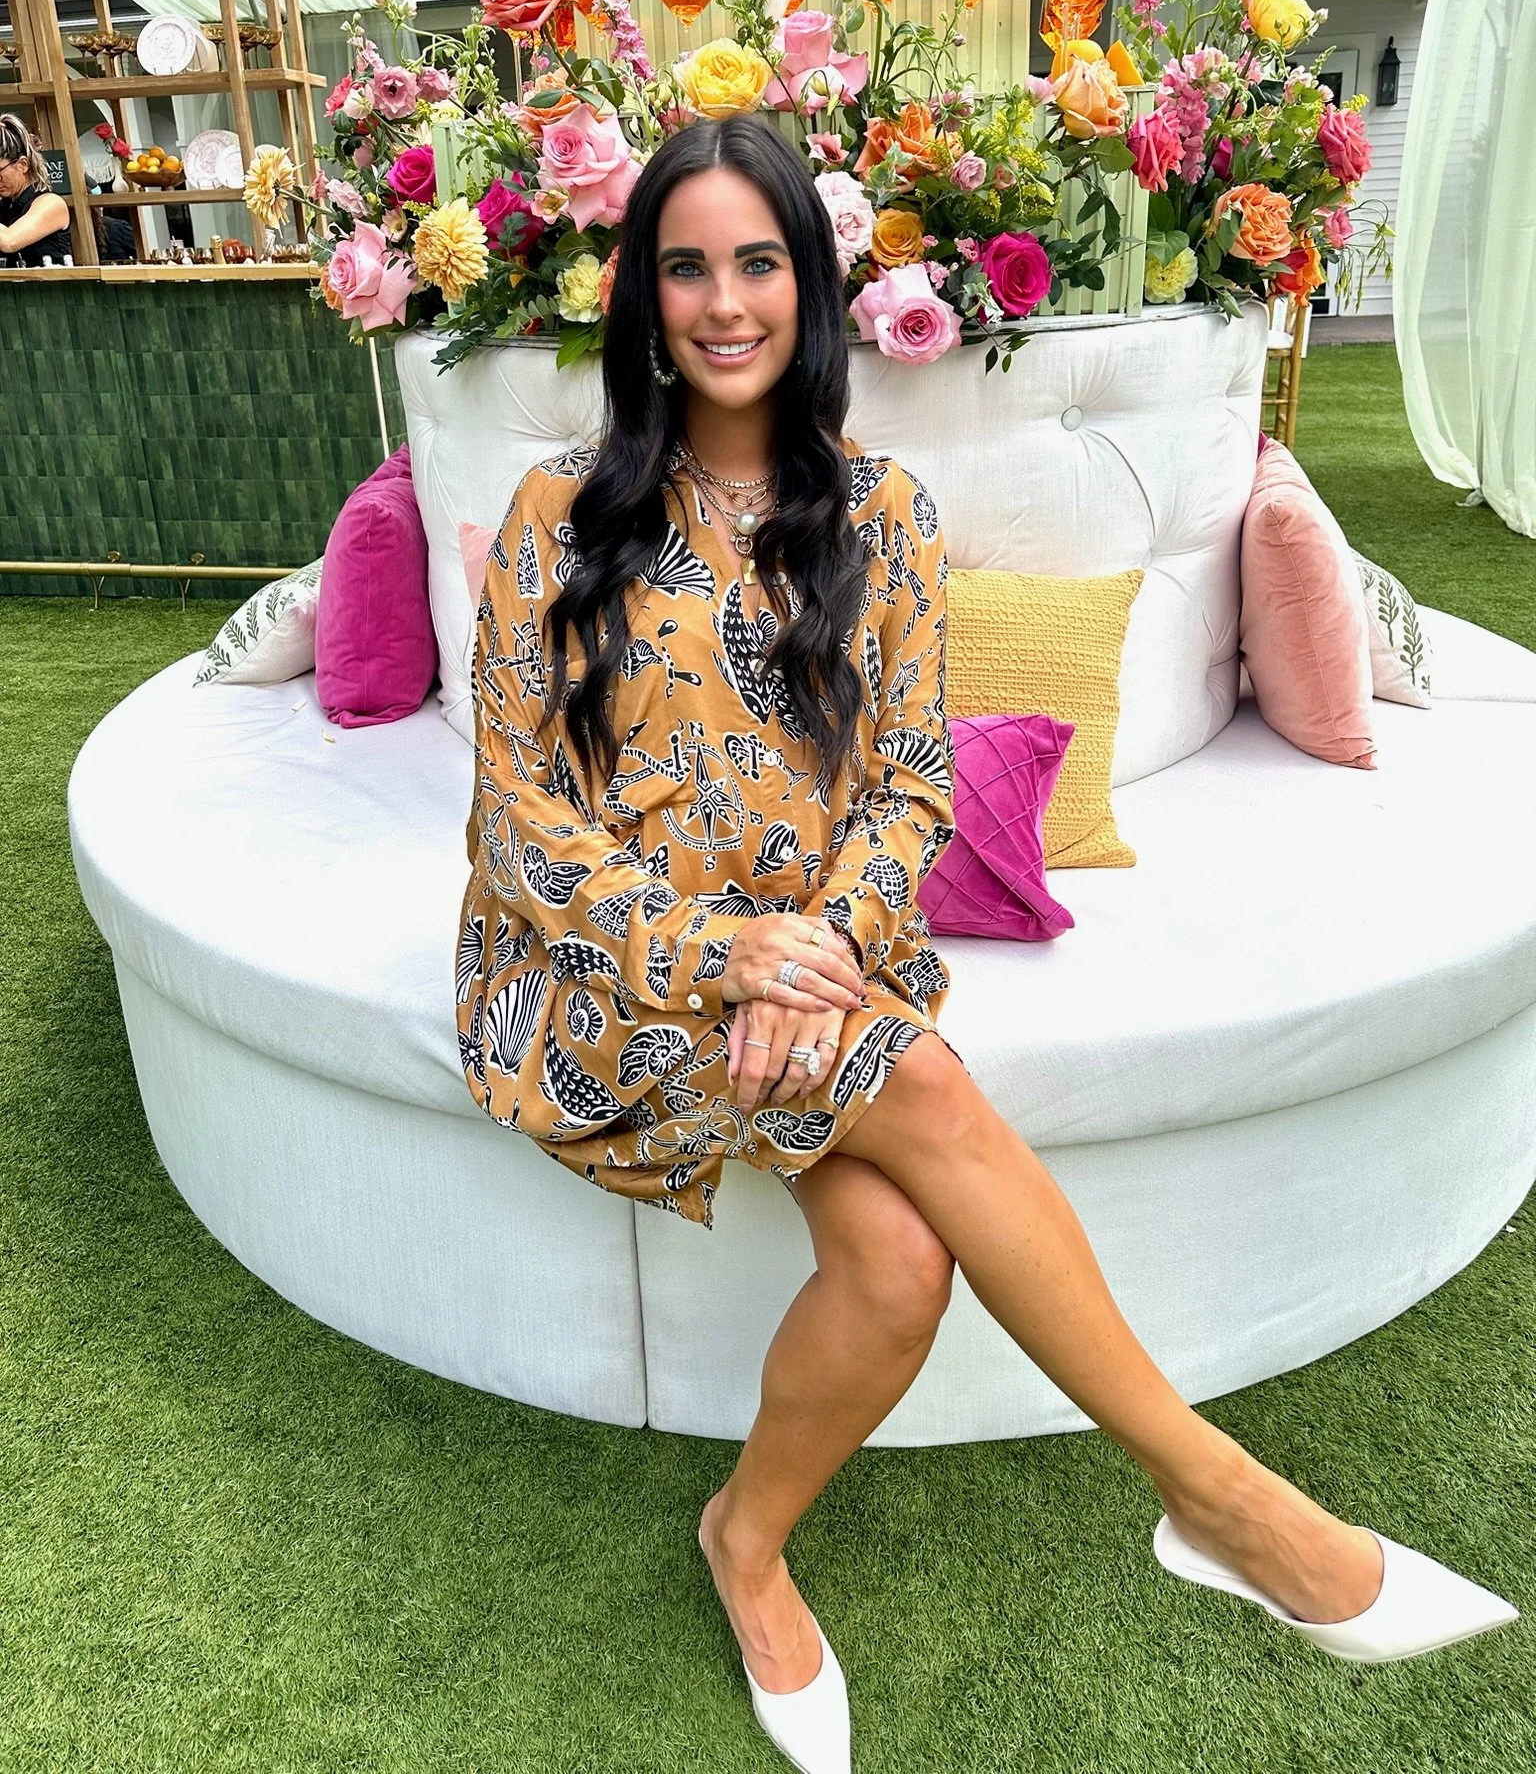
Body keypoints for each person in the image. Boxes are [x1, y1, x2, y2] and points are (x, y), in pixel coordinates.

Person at [457, 117, 1514, 1772]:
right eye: (686, 264)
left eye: (757, 262)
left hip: (817, 967)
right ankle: (1217, 1495)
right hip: (604, 981)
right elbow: (520, 818)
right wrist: (721, 955)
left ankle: (743, 1538)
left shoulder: (881, 510)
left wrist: (809, 947)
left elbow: (909, 787)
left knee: (894, 1264)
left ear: (805, 287)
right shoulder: (556, 510)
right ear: (641, 294)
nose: (723, 301)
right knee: (931, 1092)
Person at [0, 113, 72, 267]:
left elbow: (9, 241)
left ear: (23, 164)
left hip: (50, 290)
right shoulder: (5, 206)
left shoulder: (51, 203)